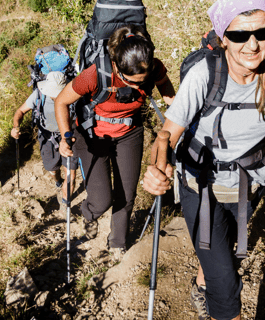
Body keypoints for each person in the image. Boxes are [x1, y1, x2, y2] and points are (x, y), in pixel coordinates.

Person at [143, 0, 265, 319]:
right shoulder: (204, 75)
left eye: (262, 33)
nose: (252, 44)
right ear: (223, 38)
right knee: (226, 284)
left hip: (247, 186)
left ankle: (201, 282)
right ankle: (215, 291)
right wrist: (157, 166)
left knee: (220, 259)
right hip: (201, 186)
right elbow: (168, 135)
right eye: (239, 35)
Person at [55, 25, 175, 259]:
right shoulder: (96, 74)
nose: (137, 87)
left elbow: (171, 99)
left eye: (142, 81)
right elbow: (61, 101)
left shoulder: (155, 69)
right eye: (131, 81)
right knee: (102, 200)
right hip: (92, 134)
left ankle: (117, 243)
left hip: (129, 132)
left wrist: (179, 119)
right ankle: (89, 213)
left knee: (127, 194)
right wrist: (65, 136)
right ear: (117, 67)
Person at [11, 71, 78, 210]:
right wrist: (15, 127)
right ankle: (58, 181)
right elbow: (20, 112)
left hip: (68, 137)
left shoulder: (73, 95)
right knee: (52, 169)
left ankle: (66, 204)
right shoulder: (39, 95)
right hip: (47, 137)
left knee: (70, 175)